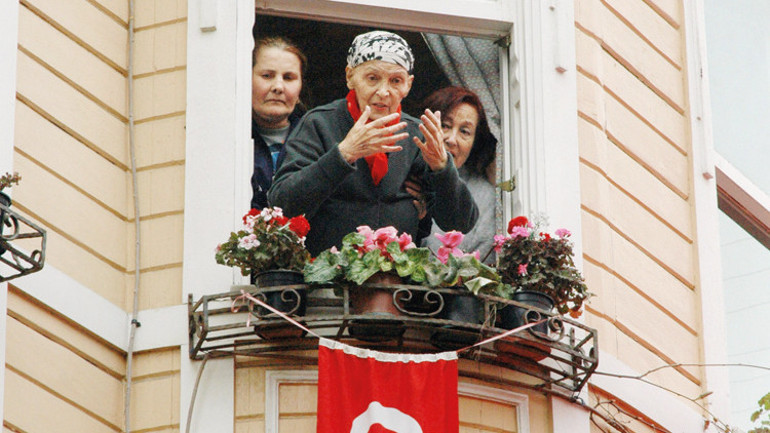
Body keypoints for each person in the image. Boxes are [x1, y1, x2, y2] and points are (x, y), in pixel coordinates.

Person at [268, 30, 478, 255]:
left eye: (395, 80)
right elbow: (282, 206)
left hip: (396, 284)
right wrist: (344, 154)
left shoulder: (417, 134)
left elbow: (460, 223)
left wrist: (441, 167)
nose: (384, 91)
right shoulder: (319, 124)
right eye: (372, 78)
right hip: (327, 282)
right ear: (350, 77)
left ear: (408, 85)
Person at [408, 87, 498, 264]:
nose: (450, 139)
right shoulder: (401, 171)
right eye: (444, 126)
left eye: (464, 131)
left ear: (474, 144)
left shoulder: (482, 196)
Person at [250, 36, 307, 210]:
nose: (278, 87)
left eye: (289, 78)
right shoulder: (229, 136)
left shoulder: (315, 139)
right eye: (267, 76)